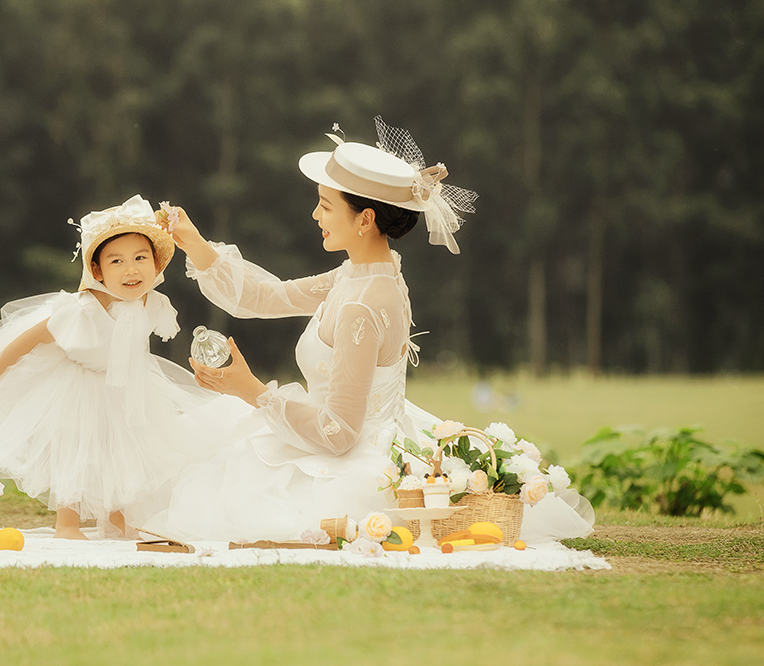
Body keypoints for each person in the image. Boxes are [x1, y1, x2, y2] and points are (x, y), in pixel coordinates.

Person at [147, 117, 592, 542]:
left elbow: (339, 433)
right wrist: (193, 242)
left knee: (220, 484)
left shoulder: (362, 303)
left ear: (365, 219)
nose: (315, 215)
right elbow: (269, 297)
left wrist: (253, 391)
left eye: (325, 205)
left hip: (351, 463)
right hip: (351, 433)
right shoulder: (364, 274)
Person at [0, 194, 247, 539]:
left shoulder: (152, 301)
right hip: (78, 384)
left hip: (126, 384)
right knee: (79, 453)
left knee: (122, 452)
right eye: (117, 262)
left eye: (141, 258)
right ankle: (66, 524)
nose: (131, 270)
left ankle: (115, 519)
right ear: (97, 270)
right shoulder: (82, 308)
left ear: (156, 265)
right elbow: (31, 337)